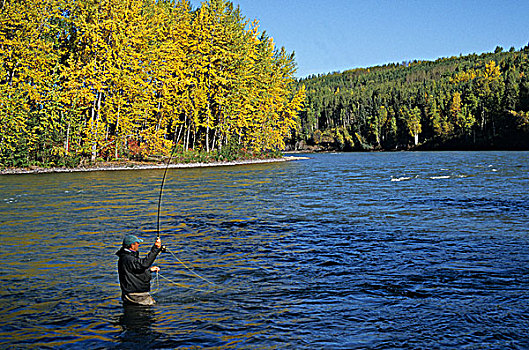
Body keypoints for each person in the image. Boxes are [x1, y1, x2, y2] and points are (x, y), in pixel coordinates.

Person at [116, 234, 163, 305]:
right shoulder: (128, 258)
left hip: (133, 294)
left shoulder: (126, 257)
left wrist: (149, 270)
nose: (138, 245)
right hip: (136, 296)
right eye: (137, 243)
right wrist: (156, 248)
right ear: (132, 245)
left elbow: (134, 270)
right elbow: (144, 264)